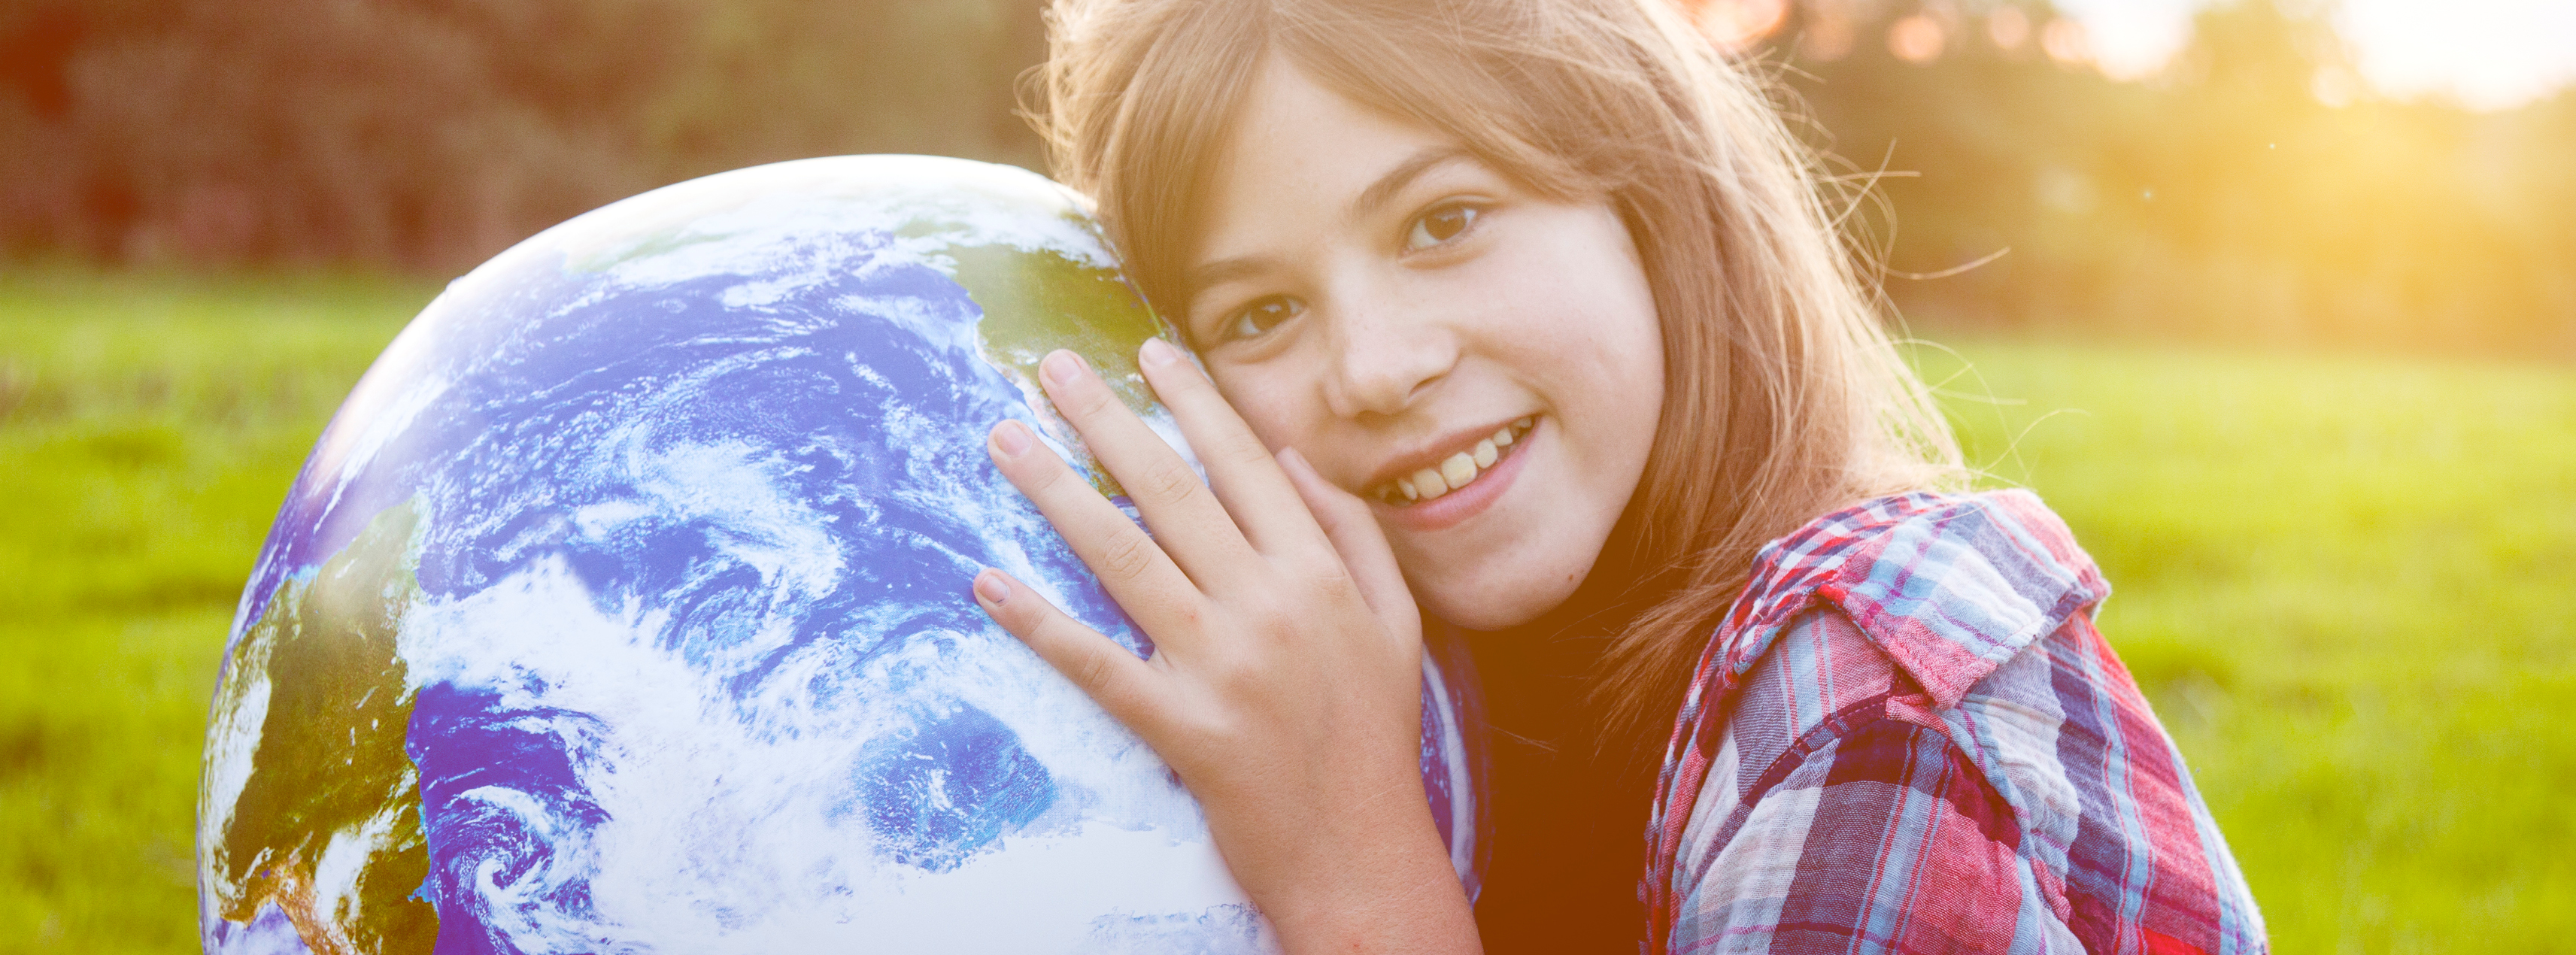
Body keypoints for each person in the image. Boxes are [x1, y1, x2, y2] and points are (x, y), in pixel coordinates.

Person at [963, 0, 2268, 950]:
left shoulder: (1870, 709)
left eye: (1444, 220)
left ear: (1650, 201)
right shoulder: (1414, 693)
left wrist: (1353, 877)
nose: (1374, 366)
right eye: (1255, 313)